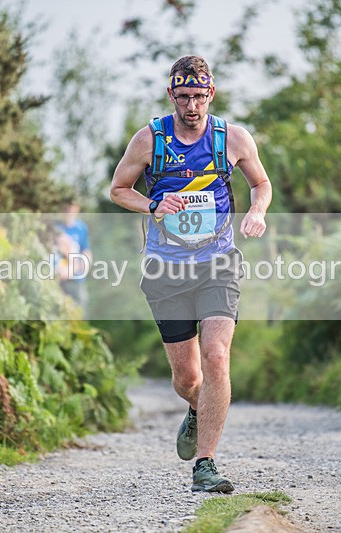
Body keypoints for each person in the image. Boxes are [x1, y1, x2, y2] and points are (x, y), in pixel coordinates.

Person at [110, 55, 272, 493]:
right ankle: (198, 409)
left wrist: (257, 211)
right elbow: (118, 189)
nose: (192, 106)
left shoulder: (232, 138)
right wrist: (153, 205)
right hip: (165, 268)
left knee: (217, 356)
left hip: (218, 261)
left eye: (200, 96)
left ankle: (206, 463)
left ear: (211, 94)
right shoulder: (149, 140)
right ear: (171, 96)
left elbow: (261, 182)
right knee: (187, 379)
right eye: (184, 97)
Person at [55, 202, 91, 309]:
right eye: (66, 208)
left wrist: (85, 265)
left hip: (76, 278)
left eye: (71, 208)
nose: (69, 211)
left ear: (77, 208)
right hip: (60, 277)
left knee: (79, 311)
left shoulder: (81, 227)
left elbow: (86, 250)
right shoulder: (57, 226)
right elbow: (62, 249)